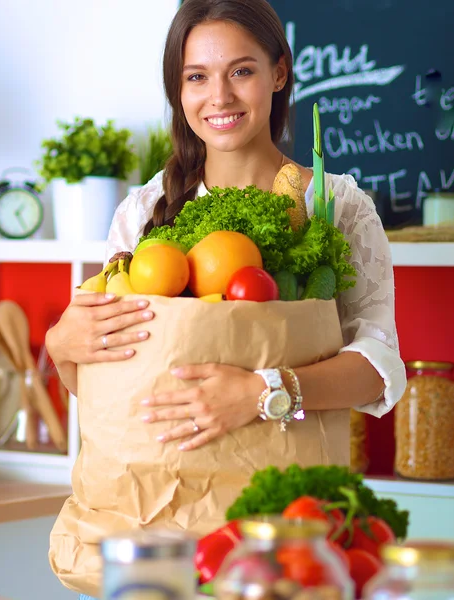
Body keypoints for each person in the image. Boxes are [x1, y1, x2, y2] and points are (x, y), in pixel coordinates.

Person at [46, 0, 406, 597]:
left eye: (241, 70)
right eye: (197, 76)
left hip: (285, 531)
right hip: (153, 520)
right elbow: (116, 386)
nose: (220, 96)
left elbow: (378, 368)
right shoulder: (143, 212)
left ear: (279, 74)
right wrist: (63, 347)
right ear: (178, 89)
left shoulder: (336, 205)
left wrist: (262, 392)